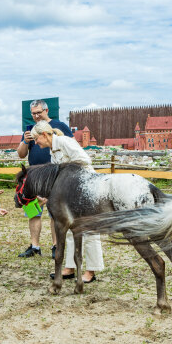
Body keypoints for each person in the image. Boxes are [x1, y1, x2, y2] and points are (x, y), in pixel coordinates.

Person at [30, 120, 103, 284]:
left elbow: (84, 161)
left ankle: (91, 271)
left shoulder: (64, 142)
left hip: (87, 189)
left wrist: (65, 174)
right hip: (71, 193)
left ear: (44, 135)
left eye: (36, 139)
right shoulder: (52, 151)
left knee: (90, 229)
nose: (35, 143)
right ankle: (70, 267)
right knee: (70, 230)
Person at [16, 99, 73, 259]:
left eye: (39, 113)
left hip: (54, 175)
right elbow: (21, 154)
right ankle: (35, 246)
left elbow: (71, 145)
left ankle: (56, 246)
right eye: (33, 113)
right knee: (33, 211)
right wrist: (25, 142)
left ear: (46, 111)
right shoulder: (29, 130)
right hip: (34, 177)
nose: (36, 116)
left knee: (54, 212)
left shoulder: (59, 126)